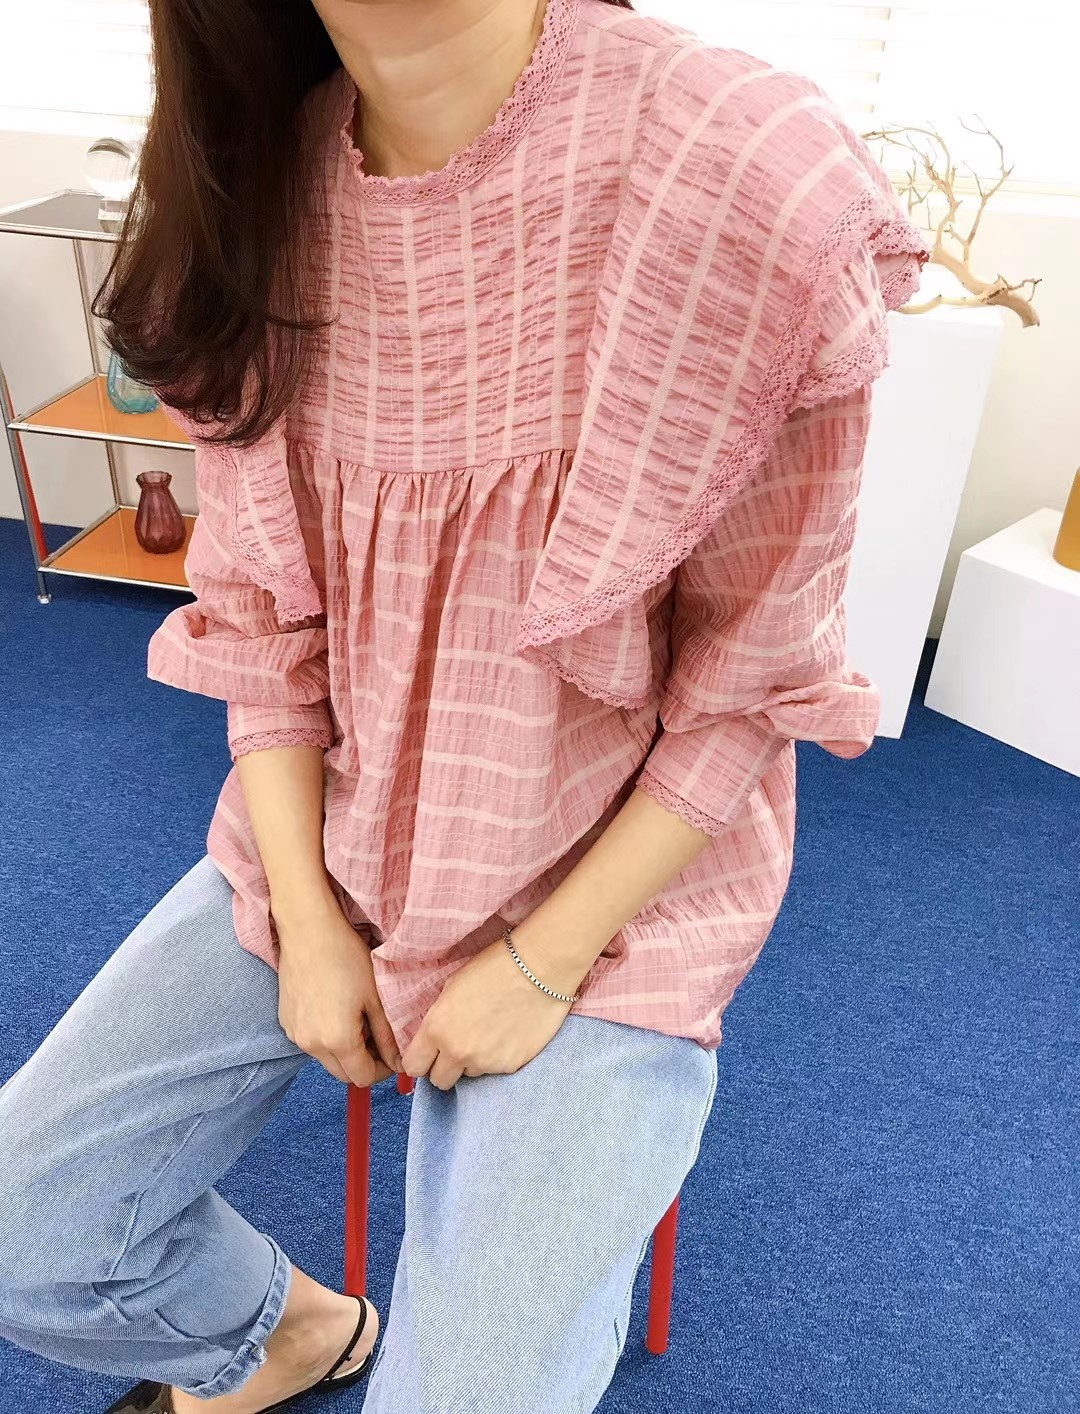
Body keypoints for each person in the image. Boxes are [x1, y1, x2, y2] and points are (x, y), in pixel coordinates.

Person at [0, 0, 931, 1410]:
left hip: (613, 905)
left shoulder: (740, 167)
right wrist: (309, 920)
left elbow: (754, 680)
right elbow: (265, 632)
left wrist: (544, 962)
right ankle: (290, 1332)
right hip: (333, 843)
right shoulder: (249, 186)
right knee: (29, 1231)